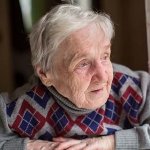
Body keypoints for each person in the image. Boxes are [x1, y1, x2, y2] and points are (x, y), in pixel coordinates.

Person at [0, 4, 150, 150]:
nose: (103, 76)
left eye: (105, 56)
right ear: (45, 74)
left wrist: (111, 143)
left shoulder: (137, 88)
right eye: (83, 64)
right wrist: (35, 147)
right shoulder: (19, 108)